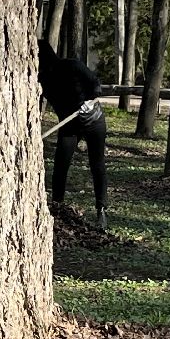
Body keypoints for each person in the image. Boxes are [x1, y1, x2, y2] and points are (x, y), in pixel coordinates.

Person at [37, 39, 109, 230]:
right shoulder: (42, 79)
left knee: (97, 165)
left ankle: (102, 211)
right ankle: (56, 207)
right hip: (69, 126)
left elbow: (95, 84)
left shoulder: (72, 66)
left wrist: (91, 101)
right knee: (60, 165)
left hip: (93, 120)